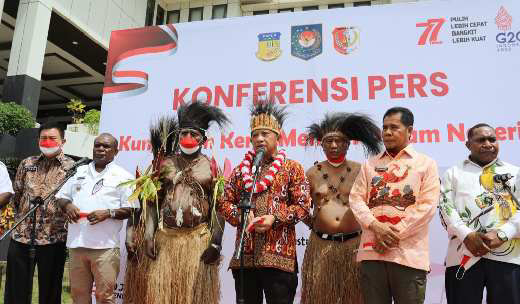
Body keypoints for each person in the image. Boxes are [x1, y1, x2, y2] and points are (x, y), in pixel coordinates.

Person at [217, 99, 311, 304]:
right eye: (254, 135)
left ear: (278, 137)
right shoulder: (241, 171)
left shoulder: (292, 168)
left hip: (279, 261)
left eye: (265, 134)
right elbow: (223, 202)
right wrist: (241, 214)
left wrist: (274, 219)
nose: (259, 139)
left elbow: (303, 206)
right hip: (245, 260)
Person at [137, 101, 229, 304]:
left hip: (198, 242)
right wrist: (148, 236)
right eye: (183, 133)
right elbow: (152, 203)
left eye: (194, 134)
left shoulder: (211, 167)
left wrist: (216, 243)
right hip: (166, 241)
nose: (188, 138)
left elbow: (219, 209)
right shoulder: (165, 164)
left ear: (204, 138)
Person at [349, 107, 440, 304]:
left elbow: (427, 207)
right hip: (372, 253)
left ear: (409, 131)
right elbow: (356, 200)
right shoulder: (369, 165)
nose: (387, 132)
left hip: (408, 256)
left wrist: (391, 235)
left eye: (394, 127)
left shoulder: (426, 164)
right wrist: (376, 226)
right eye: (384, 128)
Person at [301, 112, 382, 304]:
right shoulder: (312, 173)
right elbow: (301, 207)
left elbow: (373, 205)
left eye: (339, 141)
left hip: (353, 246)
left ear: (347, 144)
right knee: (320, 298)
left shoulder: (361, 170)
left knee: (355, 297)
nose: (334, 145)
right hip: (320, 246)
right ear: (322, 144)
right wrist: (316, 225)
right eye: (329, 141)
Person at [439, 123, 520, 303]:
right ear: (468, 145)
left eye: (492, 139)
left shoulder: (515, 173)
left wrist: (502, 234)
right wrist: (467, 235)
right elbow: (445, 209)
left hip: (507, 257)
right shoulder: (453, 173)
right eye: (481, 140)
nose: (488, 143)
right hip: (462, 257)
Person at [55, 133, 137, 304]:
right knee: (78, 295)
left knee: (104, 297)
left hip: (105, 247)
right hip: (76, 244)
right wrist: (67, 206)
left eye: (106, 146)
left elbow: (132, 208)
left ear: (116, 151)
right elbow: (61, 196)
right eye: (97, 145)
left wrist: (108, 213)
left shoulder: (124, 176)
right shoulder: (78, 171)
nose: (100, 149)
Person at [4, 122, 75, 304]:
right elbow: (16, 195)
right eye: (44, 138)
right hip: (21, 236)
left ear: (63, 141)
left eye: (52, 138)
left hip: (54, 238)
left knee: (50, 291)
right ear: (38, 141)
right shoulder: (27, 164)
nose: (48, 142)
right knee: (15, 290)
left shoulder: (72, 167)